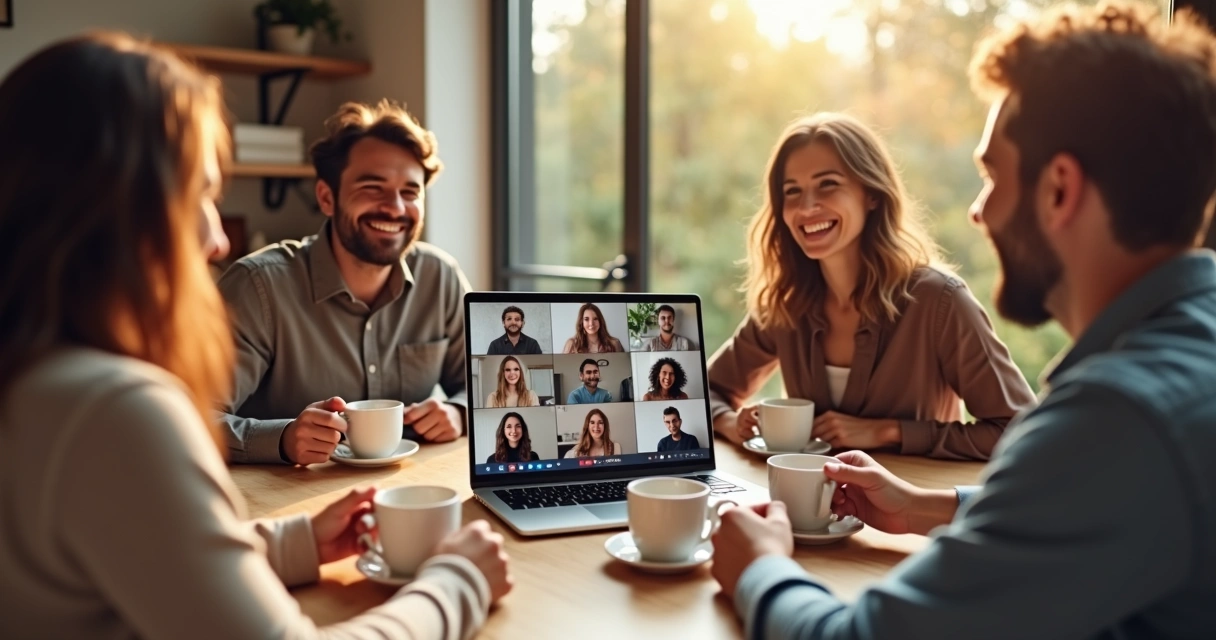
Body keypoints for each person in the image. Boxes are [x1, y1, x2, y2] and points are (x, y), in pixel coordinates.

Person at [711, 3, 1216, 637]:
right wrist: (928, 506)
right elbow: (1091, 504)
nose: (979, 211)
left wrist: (759, 568)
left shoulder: (1116, 419)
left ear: (1059, 189)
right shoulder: (1190, 355)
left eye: (991, 175)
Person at [0, 33, 512, 638]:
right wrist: (458, 582)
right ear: (117, 206)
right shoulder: (114, 408)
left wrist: (295, 540)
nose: (217, 239)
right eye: (201, 195)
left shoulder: (37, 377)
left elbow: (145, 557)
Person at [706, 110, 1035, 461]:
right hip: (810, 510)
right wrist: (728, 422)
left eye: (827, 184)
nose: (807, 207)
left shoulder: (940, 301)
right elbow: (700, 393)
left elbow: (1021, 432)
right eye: (792, 191)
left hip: (914, 513)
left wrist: (888, 431)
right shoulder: (786, 304)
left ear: (872, 194)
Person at [217, 99, 470, 465]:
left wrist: (460, 412)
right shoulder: (258, 287)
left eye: (410, 192)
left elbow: (489, 389)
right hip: (286, 505)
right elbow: (190, 419)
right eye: (372, 187)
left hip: (405, 490)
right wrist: (282, 438)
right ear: (326, 197)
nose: (395, 208)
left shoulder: (441, 277)